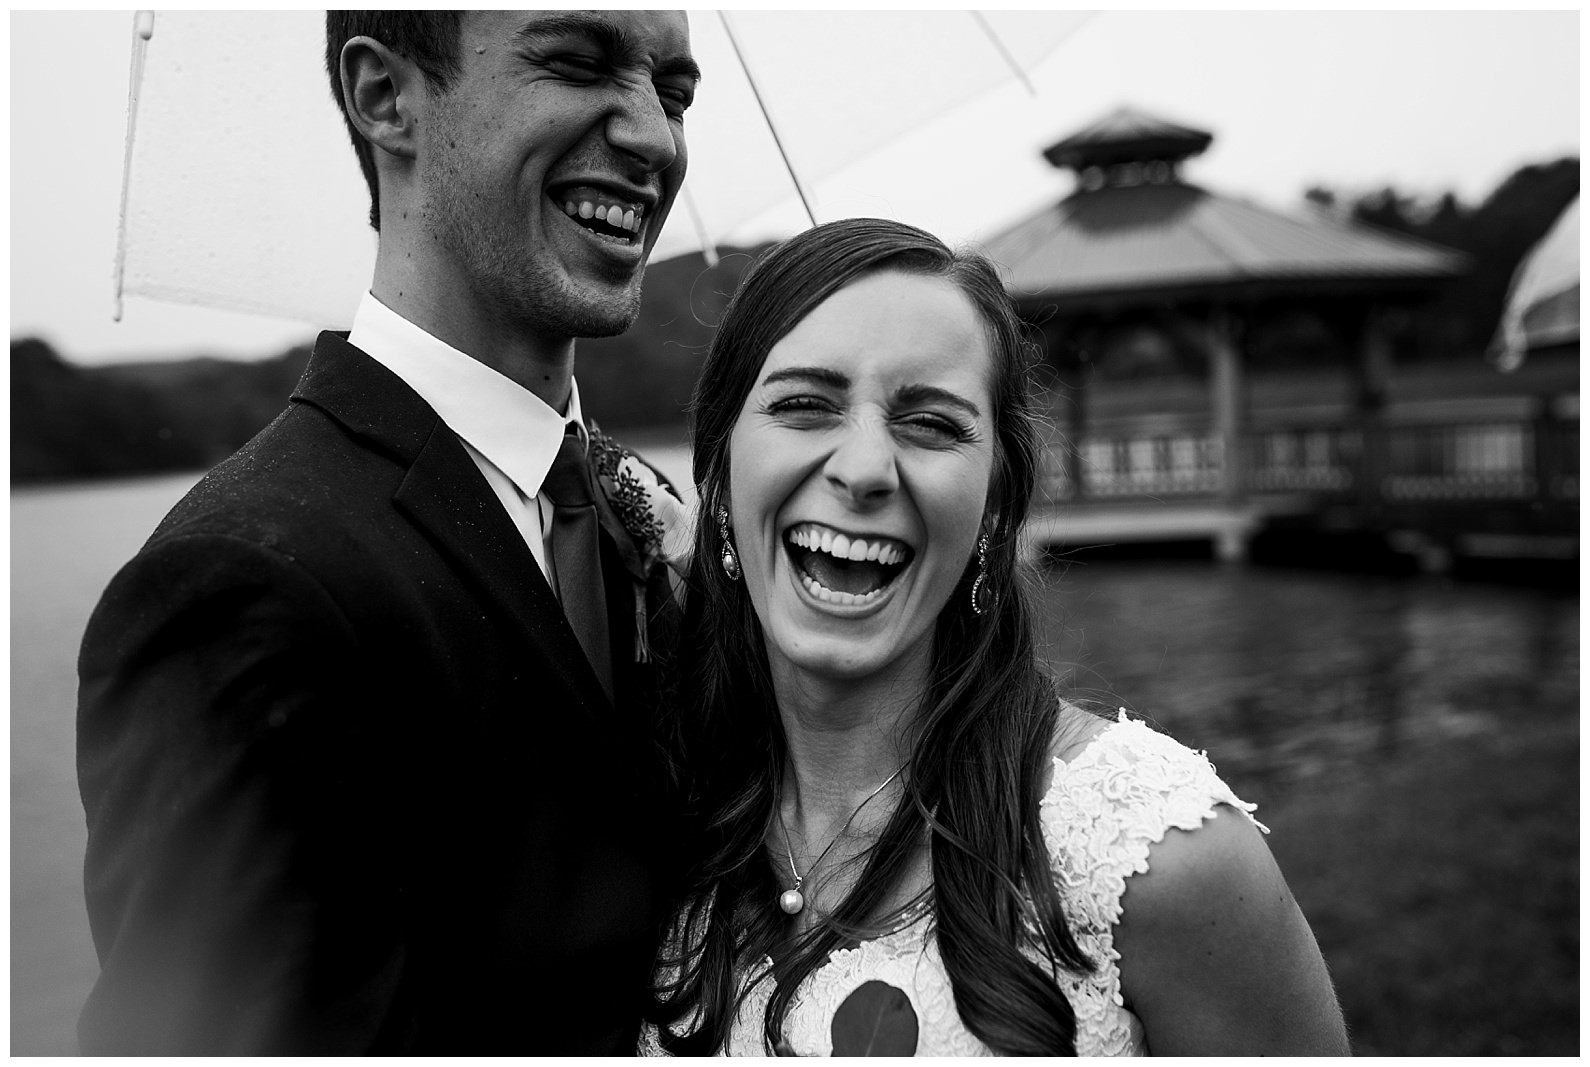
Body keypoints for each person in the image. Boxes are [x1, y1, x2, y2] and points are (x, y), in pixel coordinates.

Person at [76, 11, 699, 1054]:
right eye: (578, 63)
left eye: (674, 91)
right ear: (384, 96)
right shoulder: (241, 582)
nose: (655, 137)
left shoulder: (641, 508)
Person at [641, 218, 1351, 1056]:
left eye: (932, 424)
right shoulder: (653, 826)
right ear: (718, 473)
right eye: (804, 405)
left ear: (995, 507)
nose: (864, 469)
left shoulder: (1161, 863)